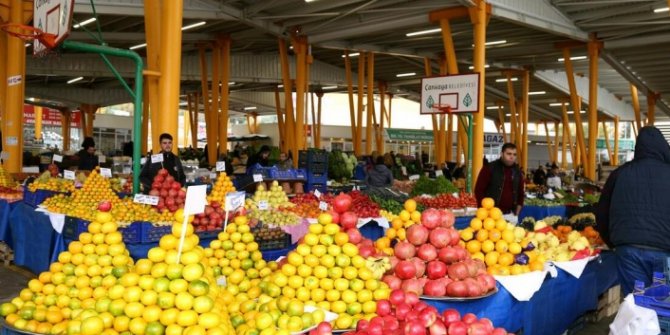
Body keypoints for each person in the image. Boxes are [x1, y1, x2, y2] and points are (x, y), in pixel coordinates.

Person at [596, 126, 670, 295]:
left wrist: (613, 242)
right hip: (665, 253)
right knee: (663, 304)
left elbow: (601, 213)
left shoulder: (620, 173)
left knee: (637, 303)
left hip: (629, 251)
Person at [474, 142, 524, 215]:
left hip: (511, 213)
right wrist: (484, 209)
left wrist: (519, 206)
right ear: (502, 154)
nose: (512, 157)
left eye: (514, 154)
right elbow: (479, 190)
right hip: (491, 214)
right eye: (509, 154)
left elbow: (521, 192)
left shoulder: (517, 171)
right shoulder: (489, 168)